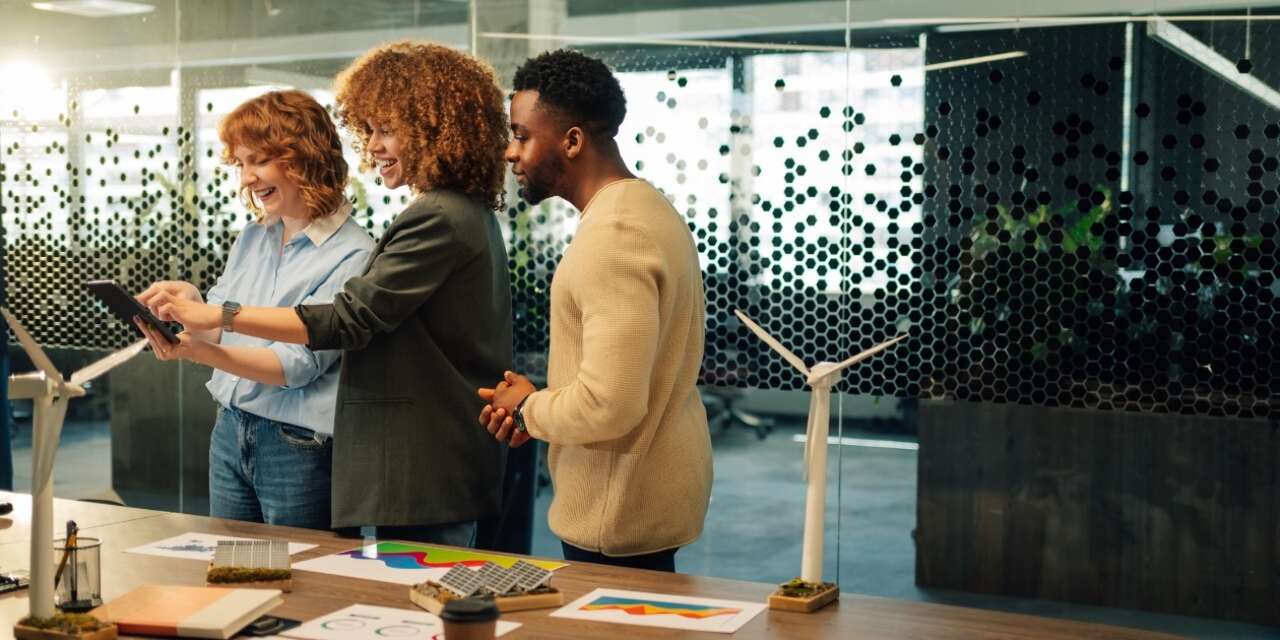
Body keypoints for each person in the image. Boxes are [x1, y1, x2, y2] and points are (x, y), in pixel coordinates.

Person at [143, 41, 513, 546]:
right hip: (239, 427)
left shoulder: (429, 220)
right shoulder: (259, 235)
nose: (374, 145)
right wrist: (194, 309)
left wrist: (209, 329)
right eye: (369, 131)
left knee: (322, 595)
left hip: (354, 451)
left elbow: (339, 324)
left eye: (386, 129)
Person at [479, 49, 713, 572]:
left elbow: (610, 404)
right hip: (640, 494)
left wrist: (528, 408)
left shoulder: (614, 235)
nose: (510, 154)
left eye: (521, 135)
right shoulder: (643, 208)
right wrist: (540, 414)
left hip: (619, 510)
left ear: (573, 140)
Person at [135, 89, 374, 529]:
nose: (246, 178)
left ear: (304, 157)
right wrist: (189, 305)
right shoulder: (254, 237)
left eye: (258, 161)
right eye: (240, 163)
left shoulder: (354, 254)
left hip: (298, 446)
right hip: (230, 430)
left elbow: (295, 368)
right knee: (231, 576)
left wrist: (196, 349)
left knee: (305, 586)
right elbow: (222, 326)